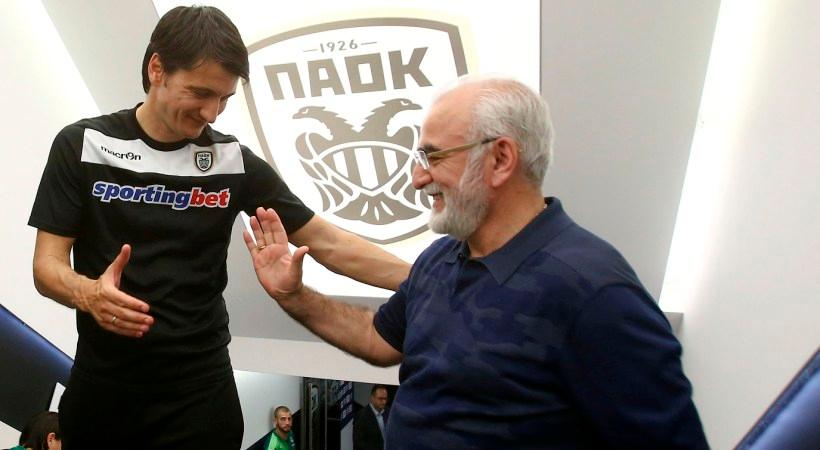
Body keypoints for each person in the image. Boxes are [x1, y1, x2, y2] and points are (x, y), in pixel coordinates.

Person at [244, 75, 710, 449]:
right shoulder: (440, 258)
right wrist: (294, 295)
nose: (417, 178)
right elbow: (377, 340)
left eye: (433, 156)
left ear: (501, 158)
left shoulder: (595, 294)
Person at [28, 6, 409, 450]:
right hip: (103, 390)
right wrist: (88, 293)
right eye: (201, 93)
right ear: (157, 69)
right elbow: (46, 266)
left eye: (224, 98)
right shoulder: (82, 145)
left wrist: (432, 277)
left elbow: (328, 241)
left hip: (199, 393)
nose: (212, 112)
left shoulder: (232, 160)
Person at [352, 385, 389, 450]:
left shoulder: (389, 412)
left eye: (385, 399)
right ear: (372, 398)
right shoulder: (361, 416)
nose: (384, 402)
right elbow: (358, 443)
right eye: (380, 399)